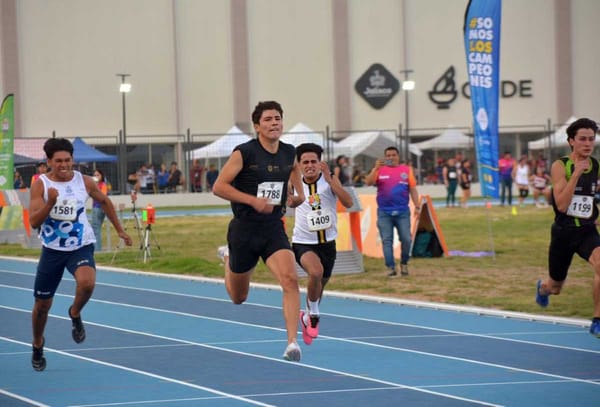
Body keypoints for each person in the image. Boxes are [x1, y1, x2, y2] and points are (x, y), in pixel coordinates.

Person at [28, 138, 132, 371]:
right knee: (42, 305)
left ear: (73, 160)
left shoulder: (83, 181)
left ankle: (74, 313)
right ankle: (37, 343)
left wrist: (120, 230)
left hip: (80, 245)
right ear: (48, 162)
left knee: (87, 284)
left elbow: (104, 201)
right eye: (59, 161)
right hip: (53, 250)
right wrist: (50, 203)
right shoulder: (41, 185)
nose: (64, 165)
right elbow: (34, 221)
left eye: (68, 160)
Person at [212, 100, 305, 361]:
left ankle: (291, 343)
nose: (274, 123)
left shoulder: (289, 153)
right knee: (238, 297)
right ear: (257, 126)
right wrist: (252, 200)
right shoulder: (244, 153)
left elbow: (294, 174)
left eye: (278, 118)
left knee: (290, 279)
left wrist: (297, 196)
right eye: (268, 119)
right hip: (244, 229)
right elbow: (219, 187)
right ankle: (229, 258)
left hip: (273, 228)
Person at [535, 118, 600, 338]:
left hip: (587, 232)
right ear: (571, 141)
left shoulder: (596, 165)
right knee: (556, 287)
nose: (588, 143)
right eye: (582, 139)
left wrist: (595, 215)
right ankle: (543, 288)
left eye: (591, 139)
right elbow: (562, 205)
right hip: (563, 233)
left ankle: (597, 320)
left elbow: (589, 198)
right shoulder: (560, 166)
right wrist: (577, 174)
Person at [292, 143, 353, 345]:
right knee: (315, 273)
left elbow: (348, 202)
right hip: (303, 242)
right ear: (299, 165)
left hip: (327, 243)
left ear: (320, 163)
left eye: (313, 162)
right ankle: (315, 315)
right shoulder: (294, 181)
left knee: (320, 285)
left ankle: (307, 315)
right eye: (305, 162)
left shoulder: (330, 181)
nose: (310, 166)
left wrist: (331, 180)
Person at [364, 146, 420, 277]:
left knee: (406, 239)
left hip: (402, 212)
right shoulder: (380, 170)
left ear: (398, 156)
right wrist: (375, 169)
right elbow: (368, 182)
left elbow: (412, 189)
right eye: (388, 155)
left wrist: (417, 206)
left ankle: (404, 263)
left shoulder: (406, 170)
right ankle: (390, 267)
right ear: (385, 157)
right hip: (384, 212)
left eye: (393, 155)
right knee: (386, 240)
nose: (391, 158)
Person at [90, 169, 108, 251]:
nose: (96, 177)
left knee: (95, 229)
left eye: (98, 175)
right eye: (95, 175)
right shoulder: (94, 185)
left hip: (98, 207)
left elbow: (102, 196)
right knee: (96, 228)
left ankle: (97, 249)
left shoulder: (102, 185)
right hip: (96, 206)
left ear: (102, 176)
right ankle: (97, 248)